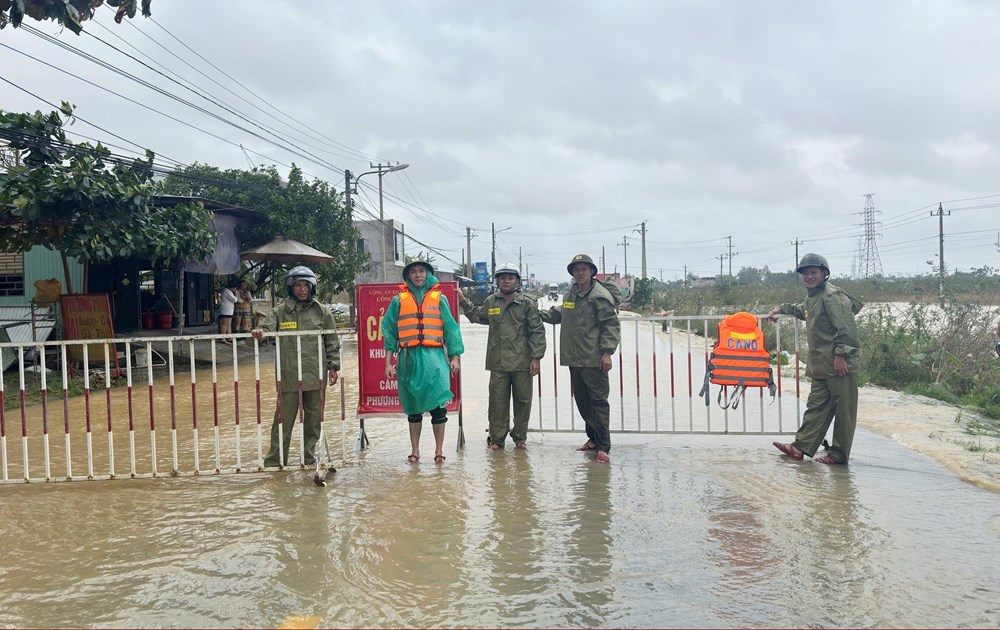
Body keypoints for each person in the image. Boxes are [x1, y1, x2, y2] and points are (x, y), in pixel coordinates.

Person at [768, 253, 863, 465]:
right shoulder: (814, 297)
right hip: (821, 364)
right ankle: (800, 447)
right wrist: (783, 310)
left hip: (840, 363)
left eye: (813, 272)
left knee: (844, 410)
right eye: (805, 274)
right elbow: (806, 311)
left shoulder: (832, 296)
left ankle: (838, 455)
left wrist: (841, 355)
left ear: (824, 273)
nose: (809, 277)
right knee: (816, 406)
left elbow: (846, 329)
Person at [251, 266, 340, 467]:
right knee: (282, 419)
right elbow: (264, 329)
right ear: (291, 288)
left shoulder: (322, 312)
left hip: (316, 373)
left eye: (305, 285)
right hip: (288, 373)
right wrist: (259, 332)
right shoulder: (280, 312)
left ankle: (310, 460)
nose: (302, 289)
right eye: (298, 285)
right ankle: (275, 462)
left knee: (314, 420)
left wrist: (333, 366)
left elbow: (331, 341)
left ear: (312, 288)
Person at [540, 254, 621, 464]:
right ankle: (592, 440)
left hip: (594, 359)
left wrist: (607, 353)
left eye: (584, 269)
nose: (580, 273)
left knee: (599, 404)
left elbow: (611, 325)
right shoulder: (572, 294)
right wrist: (539, 314)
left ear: (592, 272)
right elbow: (562, 314)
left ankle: (603, 446)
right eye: (576, 270)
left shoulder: (599, 296)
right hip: (575, 358)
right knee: (583, 403)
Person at [381, 259, 464, 464]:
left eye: (421, 271)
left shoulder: (439, 299)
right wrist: (388, 363)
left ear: (428, 274)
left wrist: (455, 357)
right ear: (408, 276)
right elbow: (389, 332)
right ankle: (415, 451)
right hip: (409, 358)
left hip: (435, 357)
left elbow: (451, 329)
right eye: (414, 272)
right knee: (413, 406)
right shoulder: (398, 300)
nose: (418, 275)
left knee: (438, 405)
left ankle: (438, 450)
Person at [458, 262, 546, 451]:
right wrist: (463, 300)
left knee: (523, 402)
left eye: (510, 277)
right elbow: (476, 316)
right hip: (498, 362)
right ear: (497, 280)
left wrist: (536, 357)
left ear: (517, 281)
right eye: (502, 277)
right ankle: (497, 439)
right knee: (497, 402)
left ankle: (520, 439)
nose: (506, 281)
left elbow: (537, 331)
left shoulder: (527, 303)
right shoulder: (491, 302)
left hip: (522, 362)